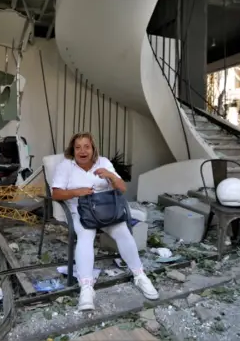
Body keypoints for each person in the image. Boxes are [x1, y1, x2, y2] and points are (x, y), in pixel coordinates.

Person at [51, 132, 159, 311]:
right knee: (86, 236)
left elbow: (122, 188)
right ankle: (86, 287)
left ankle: (140, 276)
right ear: (73, 150)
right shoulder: (66, 166)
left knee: (123, 232)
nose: (82, 151)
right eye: (78, 147)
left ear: (93, 149)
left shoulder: (104, 162)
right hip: (81, 211)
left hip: (107, 210)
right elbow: (56, 193)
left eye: (87, 146)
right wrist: (76, 192)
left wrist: (110, 175)